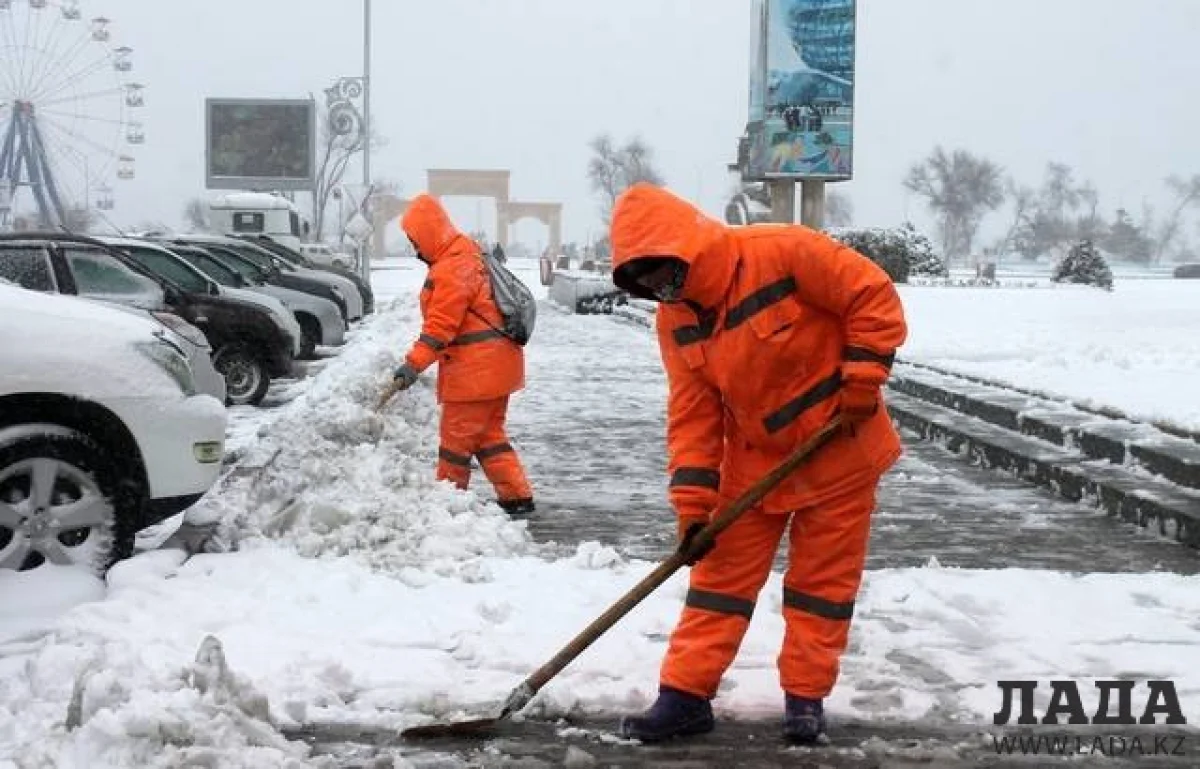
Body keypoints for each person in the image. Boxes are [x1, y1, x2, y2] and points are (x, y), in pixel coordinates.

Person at [608, 183, 907, 745]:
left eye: (665, 274)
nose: (662, 291)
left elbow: (871, 294)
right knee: (717, 580)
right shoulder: (676, 319)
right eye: (648, 284)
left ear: (686, 247)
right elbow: (693, 414)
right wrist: (694, 511)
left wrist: (864, 377)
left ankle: (805, 699)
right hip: (755, 462)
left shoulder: (784, 251)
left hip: (838, 448)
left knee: (822, 585)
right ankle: (684, 696)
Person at [391, 193, 535, 516]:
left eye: (416, 241)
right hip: (498, 367)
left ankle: (448, 503)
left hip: (475, 375)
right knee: (488, 436)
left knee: (455, 442)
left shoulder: (452, 268)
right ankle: (517, 496)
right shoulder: (468, 253)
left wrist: (413, 365)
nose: (415, 250)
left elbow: (441, 327)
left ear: (428, 234)